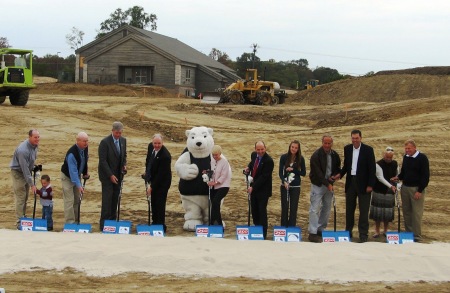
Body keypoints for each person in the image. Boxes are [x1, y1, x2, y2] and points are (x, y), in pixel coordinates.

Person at [337, 129, 376, 243]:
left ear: (361, 138)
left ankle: (363, 234)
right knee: (349, 210)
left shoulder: (368, 150)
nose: (355, 140)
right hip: (351, 183)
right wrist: (339, 174)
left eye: (356, 138)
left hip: (364, 184)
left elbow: (372, 169)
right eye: (353, 138)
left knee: (363, 211)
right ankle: (348, 232)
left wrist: (370, 185)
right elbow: (346, 165)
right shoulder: (347, 149)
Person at [392, 139, 429, 242]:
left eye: (409, 148)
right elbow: (404, 172)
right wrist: (398, 177)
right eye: (406, 148)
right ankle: (409, 234)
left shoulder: (422, 158)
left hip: (416, 189)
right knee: (407, 212)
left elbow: (425, 176)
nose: (407, 150)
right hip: (405, 187)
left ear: (414, 147)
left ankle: (417, 235)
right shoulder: (406, 157)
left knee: (416, 213)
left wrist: (420, 190)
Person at [308, 135, 342, 243]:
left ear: (332, 143)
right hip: (318, 185)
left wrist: (336, 175)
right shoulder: (316, 155)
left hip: (329, 184)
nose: (327, 145)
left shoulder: (335, 155)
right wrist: (327, 184)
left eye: (329, 143)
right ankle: (312, 233)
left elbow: (337, 168)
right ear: (322, 142)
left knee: (327, 208)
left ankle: (320, 229)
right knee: (314, 209)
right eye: (325, 143)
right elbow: (318, 173)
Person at [98, 122, 127, 230]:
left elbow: (124, 155)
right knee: (107, 200)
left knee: (115, 199)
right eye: (116, 133)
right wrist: (110, 175)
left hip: (118, 176)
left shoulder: (123, 141)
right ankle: (103, 224)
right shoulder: (105, 142)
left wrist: (124, 165)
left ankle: (112, 222)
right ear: (112, 130)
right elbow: (103, 161)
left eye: (120, 133)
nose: (118, 135)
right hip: (106, 176)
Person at [10, 129, 40, 229]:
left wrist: (35, 168)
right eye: (35, 137)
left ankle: (23, 216)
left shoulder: (35, 146)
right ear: (30, 137)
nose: (37, 139)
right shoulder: (23, 150)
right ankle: (19, 221)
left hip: (26, 171)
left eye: (38, 137)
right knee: (21, 196)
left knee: (26, 196)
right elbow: (24, 169)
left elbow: (30, 162)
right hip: (18, 173)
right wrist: (32, 184)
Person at [244, 141, 274, 239]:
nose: (260, 151)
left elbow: (263, 177)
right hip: (254, 189)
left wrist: (253, 187)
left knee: (262, 211)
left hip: (263, 190)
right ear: (255, 149)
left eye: (262, 149)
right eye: (258, 149)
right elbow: (252, 164)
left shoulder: (269, 161)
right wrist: (247, 169)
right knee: (254, 210)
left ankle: (263, 233)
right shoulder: (254, 155)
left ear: (265, 148)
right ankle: (256, 229)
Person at [144, 134, 172, 232]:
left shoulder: (165, 156)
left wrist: (151, 187)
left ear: (162, 143)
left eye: (159, 143)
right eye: (155, 143)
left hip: (163, 182)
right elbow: (148, 161)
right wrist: (147, 174)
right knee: (153, 202)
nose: (156, 145)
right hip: (154, 178)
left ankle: (160, 225)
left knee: (159, 203)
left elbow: (161, 175)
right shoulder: (150, 147)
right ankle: (154, 222)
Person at [61, 132, 90, 224]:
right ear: (78, 141)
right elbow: (72, 172)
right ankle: (70, 223)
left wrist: (85, 173)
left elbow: (84, 160)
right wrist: (79, 185)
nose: (86, 143)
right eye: (84, 141)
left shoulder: (85, 148)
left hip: (77, 176)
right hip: (67, 177)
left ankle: (76, 221)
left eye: (87, 141)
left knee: (77, 200)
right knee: (69, 200)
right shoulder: (71, 154)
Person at [369, 147, 397, 238]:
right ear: (384, 155)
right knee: (378, 213)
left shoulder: (395, 164)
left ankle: (385, 230)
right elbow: (380, 178)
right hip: (379, 190)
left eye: (390, 157)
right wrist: (390, 185)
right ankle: (377, 231)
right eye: (387, 157)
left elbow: (397, 175)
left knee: (387, 213)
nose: (388, 159)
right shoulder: (378, 164)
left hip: (390, 192)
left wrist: (396, 182)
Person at [278, 140, 306, 227]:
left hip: (295, 186)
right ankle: (283, 227)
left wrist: (293, 170)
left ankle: (291, 228)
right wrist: (284, 181)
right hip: (285, 185)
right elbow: (280, 172)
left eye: (296, 148)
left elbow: (303, 173)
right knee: (285, 208)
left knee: (293, 208)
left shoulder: (301, 159)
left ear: (298, 149)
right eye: (292, 147)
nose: (293, 149)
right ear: (290, 147)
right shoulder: (284, 157)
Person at [206, 145, 232, 228]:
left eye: (216, 155)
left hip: (223, 186)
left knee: (216, 201)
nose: (214, 157)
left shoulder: (224, 162)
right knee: (214, 204)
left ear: (220, 154)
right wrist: (207, 172)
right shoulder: (212, 161)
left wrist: (215, 182)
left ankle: (219, 223)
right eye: (213, 155)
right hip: (214, 187)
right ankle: (213, 222)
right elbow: (213, 172)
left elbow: (224, 175)